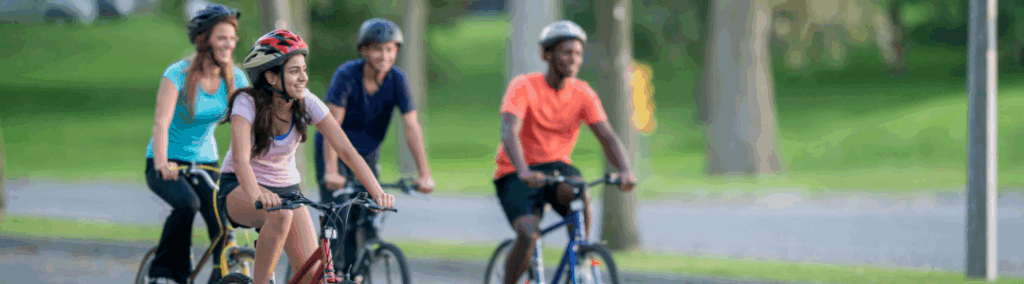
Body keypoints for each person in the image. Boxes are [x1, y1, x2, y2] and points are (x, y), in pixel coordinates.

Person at [217, 29, 395, 284]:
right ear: (271, 76)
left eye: (303, 69)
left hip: (288, 191)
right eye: (294, 71)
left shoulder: (306, 102)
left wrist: (376, 192)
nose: (303, 77)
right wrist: (258, 194)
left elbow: (346, 149)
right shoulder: (246, 103)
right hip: (241, 187)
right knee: (280, 215)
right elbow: (241, 159)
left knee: (312, 276)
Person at [492, 20, 637, 284]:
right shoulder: (523, 86)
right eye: (566, 52)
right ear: (546, 54)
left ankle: (580, 258)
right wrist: (523, 171)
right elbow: (509, 132)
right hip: (515, 171)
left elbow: (607, 136)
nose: (574, 59)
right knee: (528, 234)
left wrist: (625, 170)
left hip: (556, 168)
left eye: (578, 53)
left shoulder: (583, 93)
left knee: (580, 189)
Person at [312, 17, 435, 276]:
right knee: (340, 217)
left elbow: (411, 127)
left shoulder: (397, 80)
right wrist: (332, 172)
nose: (384, 55)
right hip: (333, 152)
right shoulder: (347, 75)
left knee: (369, 219)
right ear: (364, 50)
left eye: (390, 49)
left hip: (366, 157)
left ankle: (355, 276)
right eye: (378, 48)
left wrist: (424, 173)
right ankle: (331, 273)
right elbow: (333, 126)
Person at [143, 3, 247, 284]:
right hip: (165, 160)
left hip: (206, 161)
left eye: (232, 38)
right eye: (222, 38)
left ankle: (221, 276)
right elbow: (161, 122)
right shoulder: (177, 73)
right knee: (186, 203)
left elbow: (245, 128)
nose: (229, 44)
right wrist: (163, 162)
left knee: (223, 222)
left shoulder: (236, 78)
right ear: (205, 40)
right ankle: (164, 274)